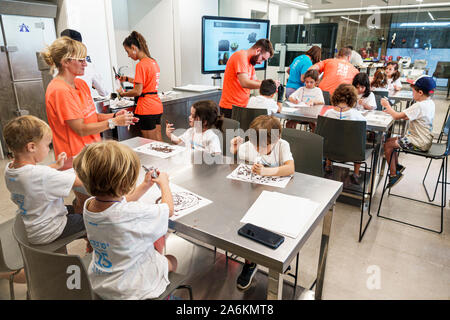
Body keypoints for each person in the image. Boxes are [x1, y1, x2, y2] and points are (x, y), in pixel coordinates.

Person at [73, 141, 176, 300]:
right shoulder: (131, 213)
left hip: (102, 280)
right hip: (132, 286)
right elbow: (168, 209)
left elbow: (121, 201)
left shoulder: (90, 205)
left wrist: (145, 185)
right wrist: (164, 184)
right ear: (125, 183)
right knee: (172, 260)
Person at [42, 36, 136, 159]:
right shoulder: (59, 90)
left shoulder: (80, 84)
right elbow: (81, 129)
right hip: (75, 157)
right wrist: (113, 122)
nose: (85, 64)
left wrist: (114, 116)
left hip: (91, 152)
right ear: (65, 62)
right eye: (81, 60)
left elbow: (91, 116)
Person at [229, 115, 294, 290]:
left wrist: (267, 172)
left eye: (263, 146)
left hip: (277, 196)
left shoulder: (282, 146)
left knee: (275, 226)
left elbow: (290, 168)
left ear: (277, 138)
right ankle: (250, 262)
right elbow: (235, 168)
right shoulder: (249, 146)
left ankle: (277, 255)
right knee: (249, 226)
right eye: (255, 144)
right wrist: (234, 152)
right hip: (252, 195)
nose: (258, 149)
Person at [3, 115, 85, 245]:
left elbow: (34, 176)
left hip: (34, 222)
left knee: (77, 207)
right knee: (95, 219)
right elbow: (80, 181)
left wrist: (56, 166)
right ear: (31, 147)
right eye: (47, 145)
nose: (49, 149)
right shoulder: (41, 175)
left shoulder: (10, 169)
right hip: (50, 230)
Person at [380, 76, 436, 188]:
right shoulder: (429, 103)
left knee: (387, 145)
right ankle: (397, 166)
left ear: (420, 92)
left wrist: (387, 106)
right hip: (425, 140)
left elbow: (396, 116)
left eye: (413, 91)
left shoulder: (419, 105)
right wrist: (391, 112)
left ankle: (394, 174)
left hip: (418, 142)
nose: (412, 93)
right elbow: (407, 117)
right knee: (392, 140)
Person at [117, 31, 164, 141]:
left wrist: (122, 93)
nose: (128, 55)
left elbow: (137, 91)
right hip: (156, 106)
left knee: (150, 145)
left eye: (127, 51)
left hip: (146, 108)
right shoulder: (153, 62)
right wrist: (128, 79)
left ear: (134, 47)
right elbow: (147, 82)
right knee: (159, 141)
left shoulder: (141, 64)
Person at [219, 39, 275, 118]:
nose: (261, 62)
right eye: (262, 58)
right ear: (258, 50)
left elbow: (255, 81)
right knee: (231, 131)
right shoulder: (240, 56)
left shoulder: (250, 63)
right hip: (230, 108)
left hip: (242, 107)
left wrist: (271, 85)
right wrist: (267, 85)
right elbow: (244, 83)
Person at [323, 84, 366, 184]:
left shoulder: (328, 113)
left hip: (330, 149)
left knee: (331, 137)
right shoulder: (356, 115)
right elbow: (363, 127)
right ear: (352, 98)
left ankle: (328, 165)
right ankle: (356, 173)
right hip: (351, 152)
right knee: (358, 141)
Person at [60, 29, 109, 98]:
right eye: (81, 60)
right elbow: (104, 92)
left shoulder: (58, 75)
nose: (85, 64)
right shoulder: (88, 68)